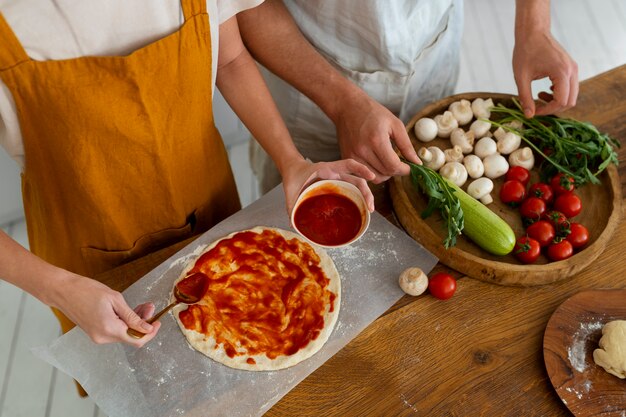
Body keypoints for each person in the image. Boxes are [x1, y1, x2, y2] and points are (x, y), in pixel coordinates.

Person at [0, 0, 375, 352]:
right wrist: (59, 288)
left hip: (209, 205)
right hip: (88, 247)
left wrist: (291, 161)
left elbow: (229, 59)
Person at [237, 0, 579, 192]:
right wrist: (341, 104)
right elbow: (240, 6)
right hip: (310, 72)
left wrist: (534, 27)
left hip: (431, 52)